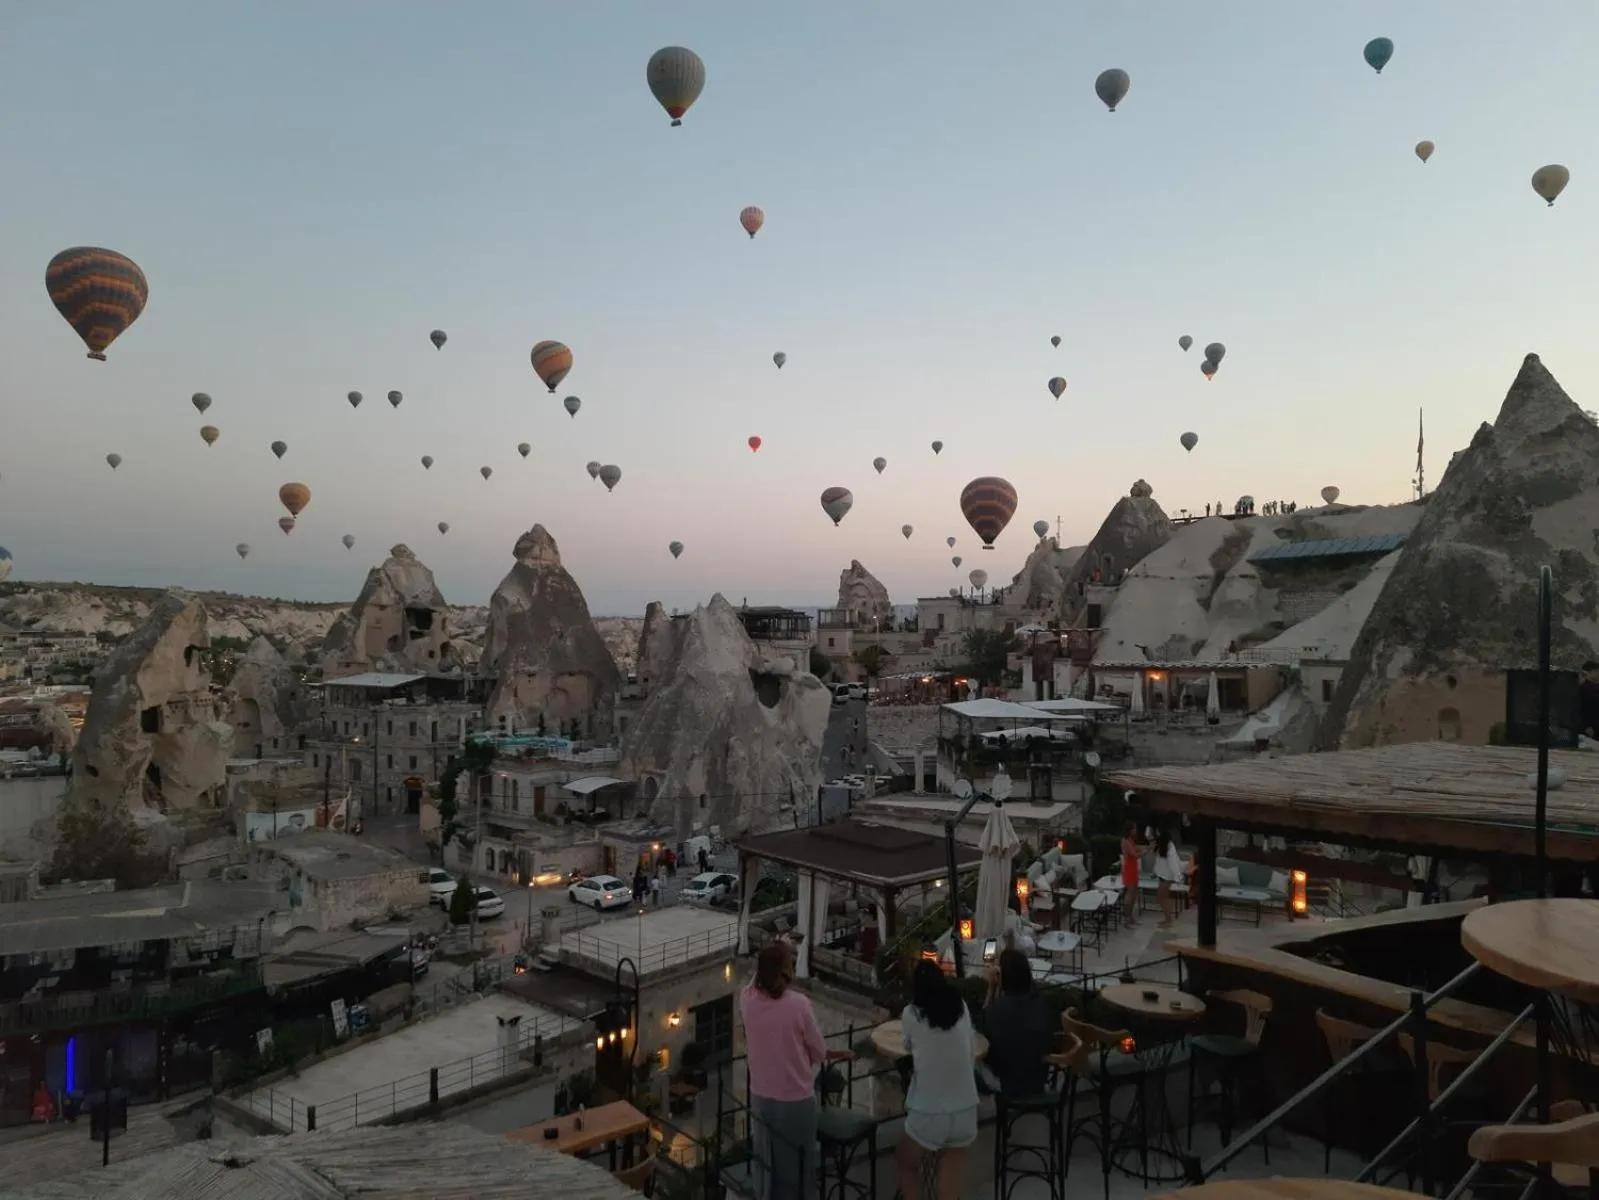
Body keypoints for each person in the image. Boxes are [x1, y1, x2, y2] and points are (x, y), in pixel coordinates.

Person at [740, 940, 827, 1200]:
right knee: (798, 1171)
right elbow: (819, 1052)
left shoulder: (747, 1000)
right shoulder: (799, 1005)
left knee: (767, 1167)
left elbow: (754, 981)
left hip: (760, 1096)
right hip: (795, 1099)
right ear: (787, 971)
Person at [898, 959, 979, 1200]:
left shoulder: (912, 1014)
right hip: (966, 1108)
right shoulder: (961, 1007)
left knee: (906, 1164)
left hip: (931, 1110)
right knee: (949, 1190)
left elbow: (907, 1046)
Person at [980, 949, 1054, 1096]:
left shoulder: (996, 1011)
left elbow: (982, 1034)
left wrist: (992, 987)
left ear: (1002, 976)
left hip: (1008, 1084)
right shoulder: (1040, 1003)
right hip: (1038, 1079)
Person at [1152, 827, 1185, 929]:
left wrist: (1178, 877)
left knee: (1162, 897)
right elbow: (1159, 862)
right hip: (1162, 875)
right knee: (1162, 897)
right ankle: (1167, 918)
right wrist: (1155, 872)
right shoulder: (1162, 845)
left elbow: (1174, 863)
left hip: (1167, 877)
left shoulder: (1169, 846)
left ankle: (1168, 919)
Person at [1119, 822, 1143, 927]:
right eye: (1134, 829)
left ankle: (1131, 917)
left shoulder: (1130, 841)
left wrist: (1146, 848)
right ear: (1130, 830)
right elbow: (1134, 855)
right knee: (1129, 894)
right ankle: (1126, 918)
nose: (1136, 831)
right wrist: (1145, 852)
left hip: (1133, 870)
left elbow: (1136, 848)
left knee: (1134, 894)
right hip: (1129, 870)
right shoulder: (1126, 842)